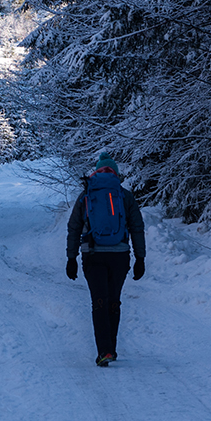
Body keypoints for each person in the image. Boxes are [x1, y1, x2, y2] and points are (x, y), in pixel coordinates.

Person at [65, 150, 145, 366]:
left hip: (92, 254)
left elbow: (74, 228)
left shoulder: (86, 195)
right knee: (114, 301)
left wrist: (71, 258)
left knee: (99, 301)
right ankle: (112, 348)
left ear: (96, 172)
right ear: (115, 173)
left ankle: (104, 351)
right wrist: (140, 258)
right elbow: (137, 227)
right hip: (120, 256)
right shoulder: (125, 195)